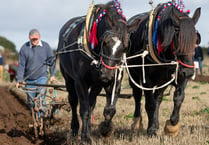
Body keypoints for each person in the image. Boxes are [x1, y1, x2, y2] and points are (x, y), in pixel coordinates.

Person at [16, 29, 56, 115]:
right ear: (29, 38)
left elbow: (52, 62)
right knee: (32, 102)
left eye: (36, 39)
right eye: (32, 39)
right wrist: (19, 79)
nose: (34, 41)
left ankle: (42, 118)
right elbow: (21, 65)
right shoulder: (24, 48)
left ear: (39, 37)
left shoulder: (46, 47)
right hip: (29, 79)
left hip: (42, 77)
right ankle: (35, 117)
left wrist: (53, 75)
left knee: (41, 98)